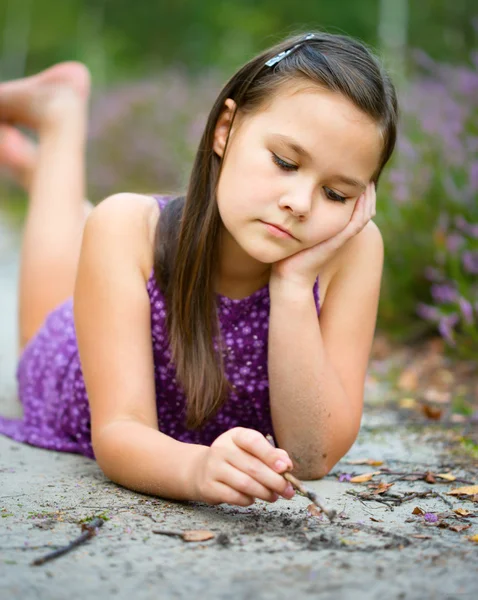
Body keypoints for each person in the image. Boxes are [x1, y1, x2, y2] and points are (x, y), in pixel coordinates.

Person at [0, 31, 397, 507]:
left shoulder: (351, 249)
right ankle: (58, 116)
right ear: (225, 129)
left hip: (148, 259)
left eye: (337, 194)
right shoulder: (127, 227)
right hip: (76, 366)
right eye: (285, 162)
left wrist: (293, 284)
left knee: (87, 229)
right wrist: (195, 469)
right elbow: (119, 432)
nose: (299, 204)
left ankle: (42, 168)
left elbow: (313, 456)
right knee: (48, 310)